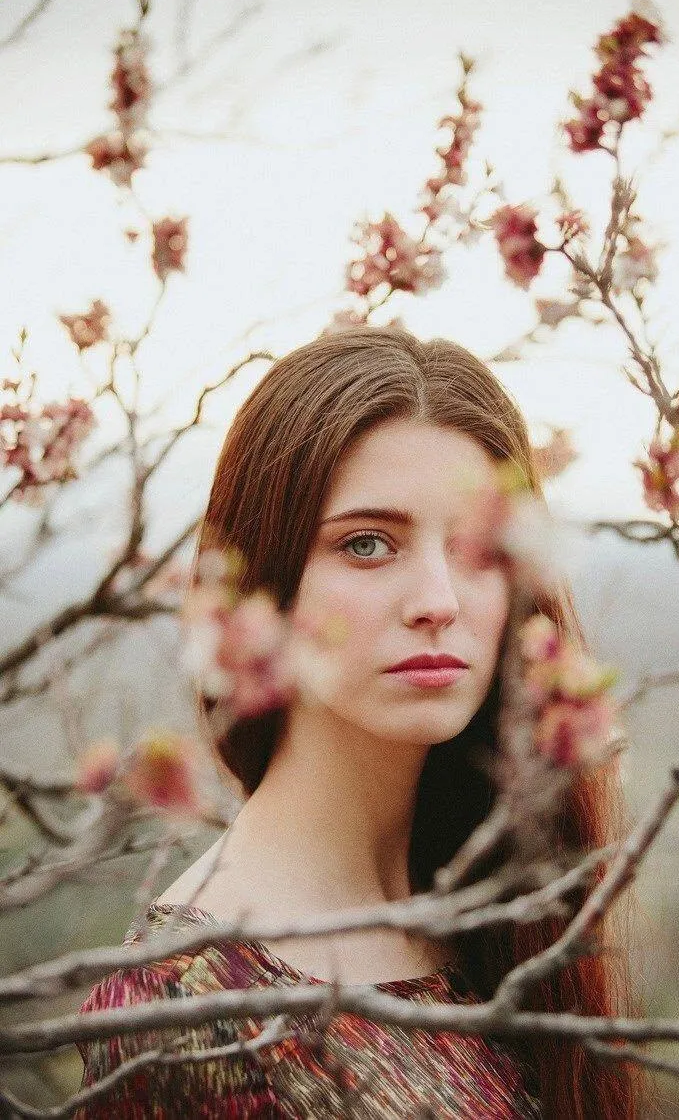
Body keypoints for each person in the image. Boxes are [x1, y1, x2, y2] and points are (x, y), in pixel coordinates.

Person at [75, 325, 641, 1118]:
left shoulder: (505, 916)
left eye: (476, 549)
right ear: (259, 585)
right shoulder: (185, 1007)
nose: (438, 600)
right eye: (368, 543)